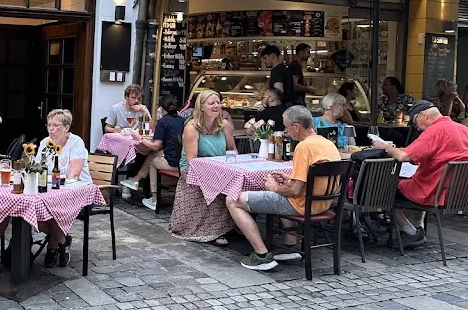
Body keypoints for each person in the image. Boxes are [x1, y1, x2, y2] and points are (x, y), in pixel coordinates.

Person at [225, 106, 340, 271]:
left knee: (233, 200)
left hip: (301, 205)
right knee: (282, 189)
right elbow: (310, 180)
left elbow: (293, 191)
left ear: (296, 126)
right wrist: (289, 180)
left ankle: (261, 255)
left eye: (286, 127)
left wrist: (274, 187)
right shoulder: (327, 144)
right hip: (323, 203)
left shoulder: (303, 147)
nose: (285, 131)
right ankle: (290, 245)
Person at [374, 101, 468, 248]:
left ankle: (412, 233)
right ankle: (418, 227)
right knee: (412, 182)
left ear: (423, 115)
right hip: (463, 195)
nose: (416, 127)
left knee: (384, 190)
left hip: (436, 193)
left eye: (415, 122)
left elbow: (403, 156)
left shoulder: (435, 131)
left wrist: (384, 147)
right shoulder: (466, 131)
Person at [167, 90, 237, 244]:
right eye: (211, 103)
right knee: (213, 184)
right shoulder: (192, 128)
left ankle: (232, 225)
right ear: (202, 107)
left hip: (221, 168)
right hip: (194, 170)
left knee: (238, 183)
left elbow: (232, 150)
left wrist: (232, 164)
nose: (216, 106)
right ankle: (211, 231)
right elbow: (193, 161)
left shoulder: (225, 125)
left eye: (218, 102)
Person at [37, 109, 91, 267]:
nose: (51, 129)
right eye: (49, 125)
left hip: (79, 194)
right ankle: (63, 240)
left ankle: (52, 248)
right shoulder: (45, 143)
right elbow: (38, 168)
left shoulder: (76, 142)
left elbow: (74, 174)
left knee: (56, 212)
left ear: (66, 128)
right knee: (33, 212)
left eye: (55, 125)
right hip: (51, 192)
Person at [120, 94, 189, 211]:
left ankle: (155, 199)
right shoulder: (182, 120)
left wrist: (139, 138)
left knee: (153, 161)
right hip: (183, 159)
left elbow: (155, 146)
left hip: (173, 163)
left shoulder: (163, 121)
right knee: (153, 154)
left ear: (161, 108)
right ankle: (136, 180)